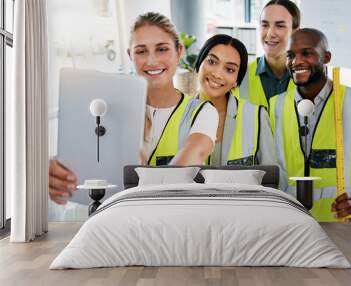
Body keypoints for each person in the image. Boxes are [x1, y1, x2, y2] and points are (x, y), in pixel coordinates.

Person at [49, 12, 218, 204]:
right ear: (130, 55)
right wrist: (56, 176)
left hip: (176, 218)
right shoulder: (107, 110)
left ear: (178, 52)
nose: (152, 61)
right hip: (119, 217)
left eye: (162, 49)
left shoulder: (202, 112)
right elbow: (83, 164)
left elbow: (195, 154)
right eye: (141, 51)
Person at [269, 28, 351, 222]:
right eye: (291, 55)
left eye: (307, 53)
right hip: (289, 226)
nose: (296, 61)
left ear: (326, 57)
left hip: (342, 226)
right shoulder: (275, 106)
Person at [195, 34, 276, 166]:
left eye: (229, 69)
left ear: (236, 81)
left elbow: (271, 177)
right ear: (199, 63)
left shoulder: (257, 116)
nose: (217, 74)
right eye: (212, 62)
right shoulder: (178, 115)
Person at [233, 0, 300, 109]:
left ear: (296, 32)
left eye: (280, 26)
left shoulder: (309, 79)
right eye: (265, 25)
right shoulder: (240, 75)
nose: (270, 34)